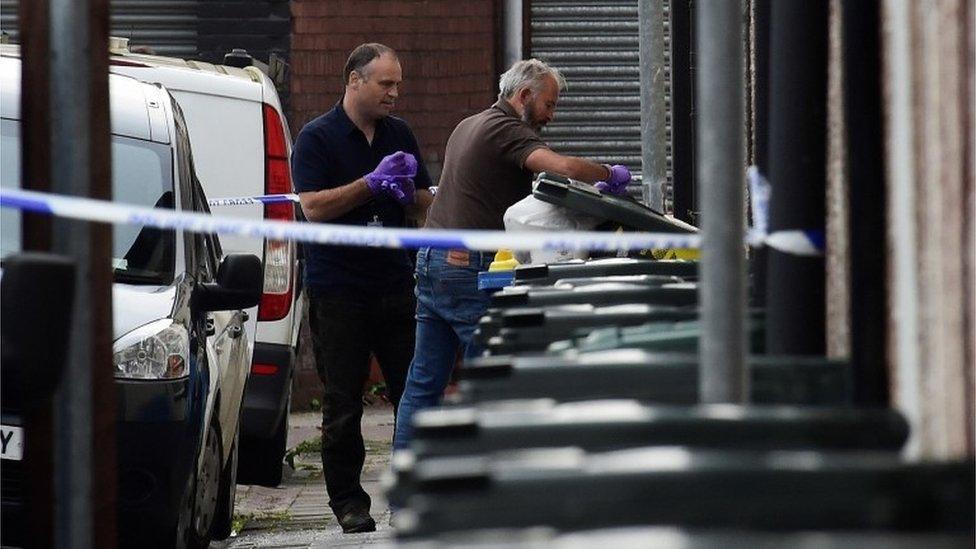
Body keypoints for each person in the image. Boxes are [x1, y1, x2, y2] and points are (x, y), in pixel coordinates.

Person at [392, 58, 631, 451]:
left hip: (432, 258)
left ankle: (405, 500)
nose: (551, 117)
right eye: (549, 105)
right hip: (466, 268)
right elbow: (560, 167)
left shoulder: (468, 124)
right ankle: (487, 489)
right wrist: (608, 173)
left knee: (423, 383)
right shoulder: (506, 128)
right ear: (523, 96)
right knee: (493, 379)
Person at [292, 43, 433, 534]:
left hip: (395, 282)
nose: (395, 93)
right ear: (354, 80)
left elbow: (420, 206)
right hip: (339, 290)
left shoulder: (400, 134)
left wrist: (417, 199)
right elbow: (312, 207)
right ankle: (349, 503)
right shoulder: (317, 138)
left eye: (398, 84)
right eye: (385, 84)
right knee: (343, 400)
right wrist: (370, 185)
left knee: (412, 393)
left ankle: (412, 491)